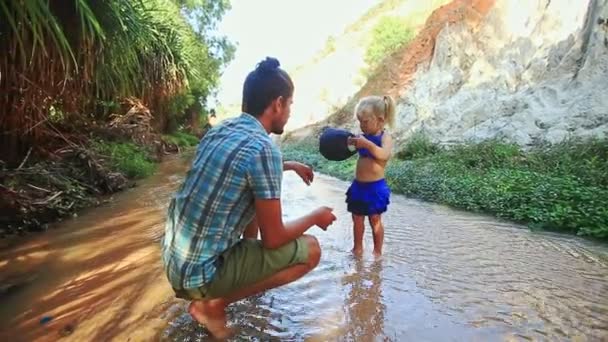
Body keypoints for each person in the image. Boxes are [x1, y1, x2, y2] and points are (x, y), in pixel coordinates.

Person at [160, 57, 336, 338]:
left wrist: (287, 165)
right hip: (199, 275)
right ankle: (214, 304)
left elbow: (238, 168)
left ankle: (232, 280)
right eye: (290, 104)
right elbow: (275, 238)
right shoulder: (264, 149)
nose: (290, 111)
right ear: (277, 103)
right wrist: (316, 216)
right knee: (311, 249)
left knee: (255, 201)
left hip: (175, 262)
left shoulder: (220, 131)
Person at [346, 95, 396, 256]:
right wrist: (347, 142)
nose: (362, 126)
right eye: (360, 122)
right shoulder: (362, 137)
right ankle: (358, 248)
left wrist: (367, 144)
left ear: (380, 119)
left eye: (365, 122)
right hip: (359, 186)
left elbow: (383, 155)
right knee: (357, 218)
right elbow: (349, 150)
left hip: (375, 187)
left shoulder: (385, 137)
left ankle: (377, 251)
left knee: (375, 219)